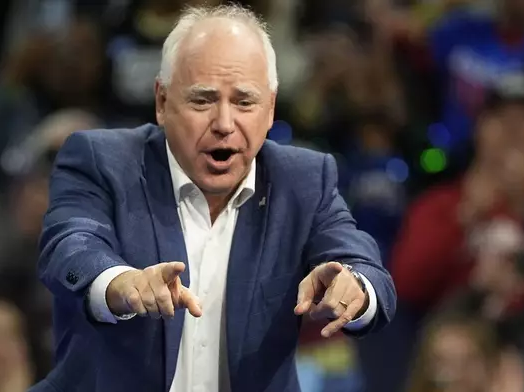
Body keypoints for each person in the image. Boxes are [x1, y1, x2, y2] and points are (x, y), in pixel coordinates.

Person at [32, 4, 396, 392]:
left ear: (270, 108)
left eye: (244, 102)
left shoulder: (302, 180)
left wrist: (353, 287)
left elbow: (365, 268)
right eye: (202, 100)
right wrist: (119, 283)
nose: (224, 124)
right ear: (162, 101)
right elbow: (71, 242)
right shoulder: (103, 160)